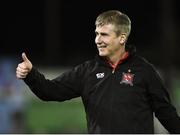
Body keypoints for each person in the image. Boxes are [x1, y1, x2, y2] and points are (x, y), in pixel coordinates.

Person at [16, 10, 180, 133]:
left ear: (122, 38)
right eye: (96, 34)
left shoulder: (144, 71)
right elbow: (51, 91)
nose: (97, 40)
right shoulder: (87, 71)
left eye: (104, 35)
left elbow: (166, 113)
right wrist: (31, 74)